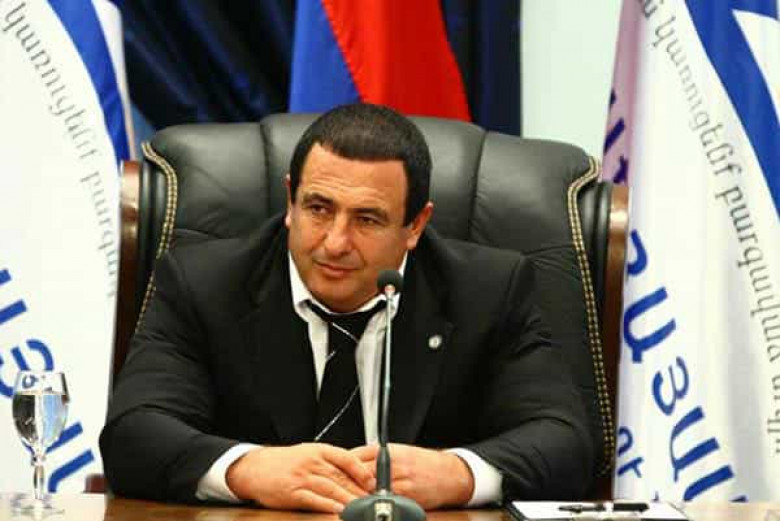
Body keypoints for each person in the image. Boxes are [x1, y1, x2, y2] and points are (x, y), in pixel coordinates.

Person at [100, 103, 594, 512]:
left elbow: (565, 441)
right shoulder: (204, 284)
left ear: (416, 226)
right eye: (318, 209)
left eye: (367, 219)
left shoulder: (487, 291)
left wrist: (458, 473)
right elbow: (134, 434)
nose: (335, 243)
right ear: (290, 201)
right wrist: (246, 468)